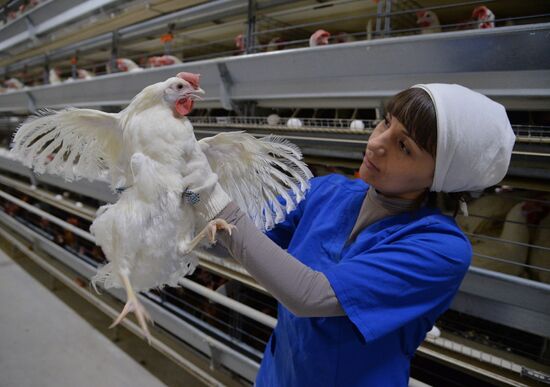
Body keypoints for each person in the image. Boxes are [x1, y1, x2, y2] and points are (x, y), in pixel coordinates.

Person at [182, 84, 516, 386]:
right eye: (386, 122)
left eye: (404, 145)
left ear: (441, 174)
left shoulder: (440, 249)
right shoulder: (327, 191)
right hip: (278, 377)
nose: (376, 142)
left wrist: (212, 202)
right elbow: (239, 240)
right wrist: (184, 201)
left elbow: (310, 296)